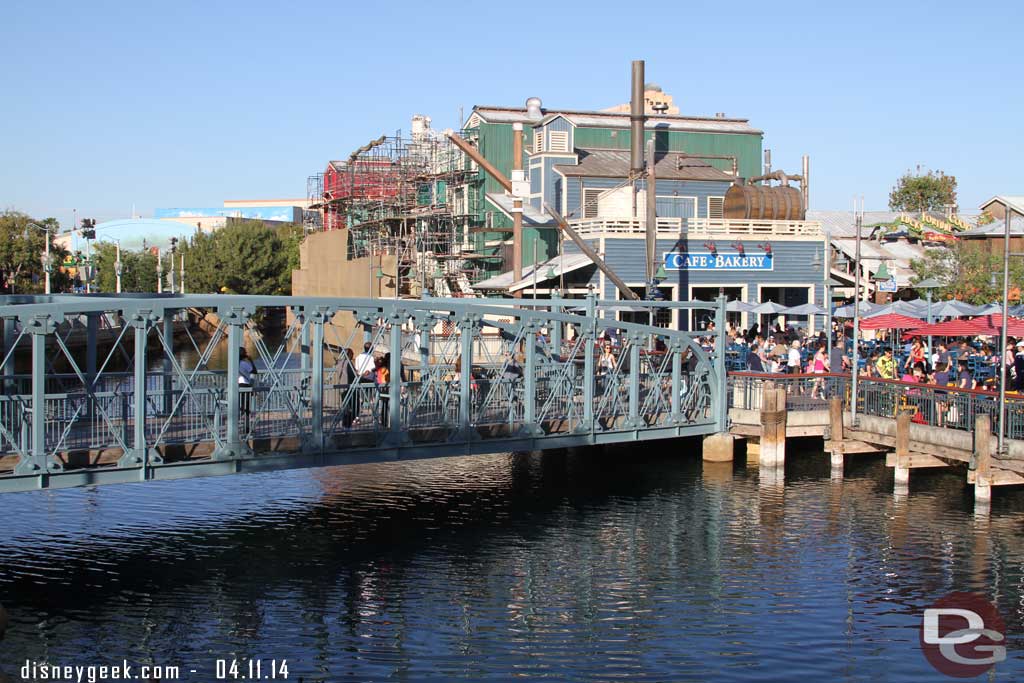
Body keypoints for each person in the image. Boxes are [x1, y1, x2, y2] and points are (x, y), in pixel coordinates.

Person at [354, 342, 376, 423]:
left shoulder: (358, 357)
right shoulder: (371, 358)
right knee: (371, 399)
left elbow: (356, 369)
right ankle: (374, 417)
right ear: (371, 349)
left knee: (360, 399)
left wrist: (361, 374)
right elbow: (372, 369)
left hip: (360, 379)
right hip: (369, 380)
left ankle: (357, 417)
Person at [238, 348, 257, 436]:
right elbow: (254, 371)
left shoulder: (233, 364)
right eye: (245, 352)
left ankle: (236, 427)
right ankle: (246, 428)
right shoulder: (244, 363)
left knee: (239, 407)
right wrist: (251, 360)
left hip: (236, 387)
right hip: (244, 386)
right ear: (243, 354)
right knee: (246, 408)